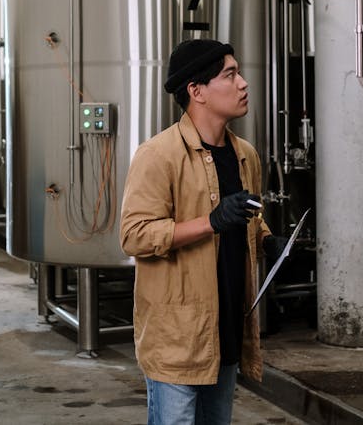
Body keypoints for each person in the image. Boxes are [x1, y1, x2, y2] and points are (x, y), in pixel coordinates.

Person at [120, 39, 286, 425]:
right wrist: (210, 222)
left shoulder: (245, 153)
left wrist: (266, 240)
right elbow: (134, 234)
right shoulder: (158, 155)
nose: (243, 83)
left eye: (239, 72)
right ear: (196, 91)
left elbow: (246, 217)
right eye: (230, 75)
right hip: (178, 340)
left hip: (225, 330)